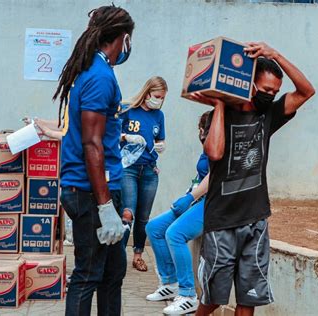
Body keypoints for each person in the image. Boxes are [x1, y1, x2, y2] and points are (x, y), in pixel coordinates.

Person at [191, 42, 315, 316]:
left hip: (255, 220)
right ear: (249, 84)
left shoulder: (268, 115)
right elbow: (214, 152)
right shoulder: (216, 117)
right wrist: (221, 104)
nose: (270, 96)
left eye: (275, 92)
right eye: (266, 90)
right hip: (221, 221)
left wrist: (276, 54)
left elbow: (307, 91)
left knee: (249, 299)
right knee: (212, 298)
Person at [53, 5, 134, 316]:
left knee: (113, 274)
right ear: (123, 38)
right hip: (90, 193)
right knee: (87, 275)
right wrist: (104, 206)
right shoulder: (99, 76)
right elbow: (92, 144)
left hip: (95, 189)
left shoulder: (92, 71)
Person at [145, 112, 210, 315]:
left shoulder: (220, 144)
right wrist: (189, 194)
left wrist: (191, 198)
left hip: (213, 202)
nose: (202, 135)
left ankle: (188, 294)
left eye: (204, 130)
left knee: (175, 234)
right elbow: (201, 175)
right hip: (197, 197)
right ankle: (170, 282)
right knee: (154, 227)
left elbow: (215, 176)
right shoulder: (206, 146)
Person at [119, 76, 168, 272]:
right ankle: (118, 256)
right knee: (127, 212)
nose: (159, 100)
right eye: (157, 96)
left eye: (163, 98)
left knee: (143, 217)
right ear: (147, 93)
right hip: (128, 169)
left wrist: (161, 146)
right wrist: (125, 136)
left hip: (149, 170)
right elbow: (110, 133)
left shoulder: (159, 116)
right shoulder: (126, 109)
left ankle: (137, 255)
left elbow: (160, 139)